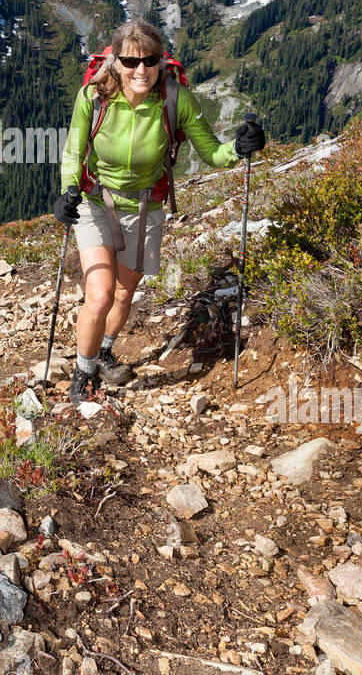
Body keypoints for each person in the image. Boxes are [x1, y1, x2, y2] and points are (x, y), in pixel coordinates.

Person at [54, 20, 266, 404]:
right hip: (96, 200)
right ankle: (83, 375)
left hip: (146, 206)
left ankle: (103, 351)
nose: (142, 70)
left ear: (161, 61)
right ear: (115, 61)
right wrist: (69, 189)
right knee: (99, 295)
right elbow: (73, 151)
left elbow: (213, 153)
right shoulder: (93, 97)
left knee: (123, 296)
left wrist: (240, 147)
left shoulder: (175, 100)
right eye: (132, 61)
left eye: (150, 60)